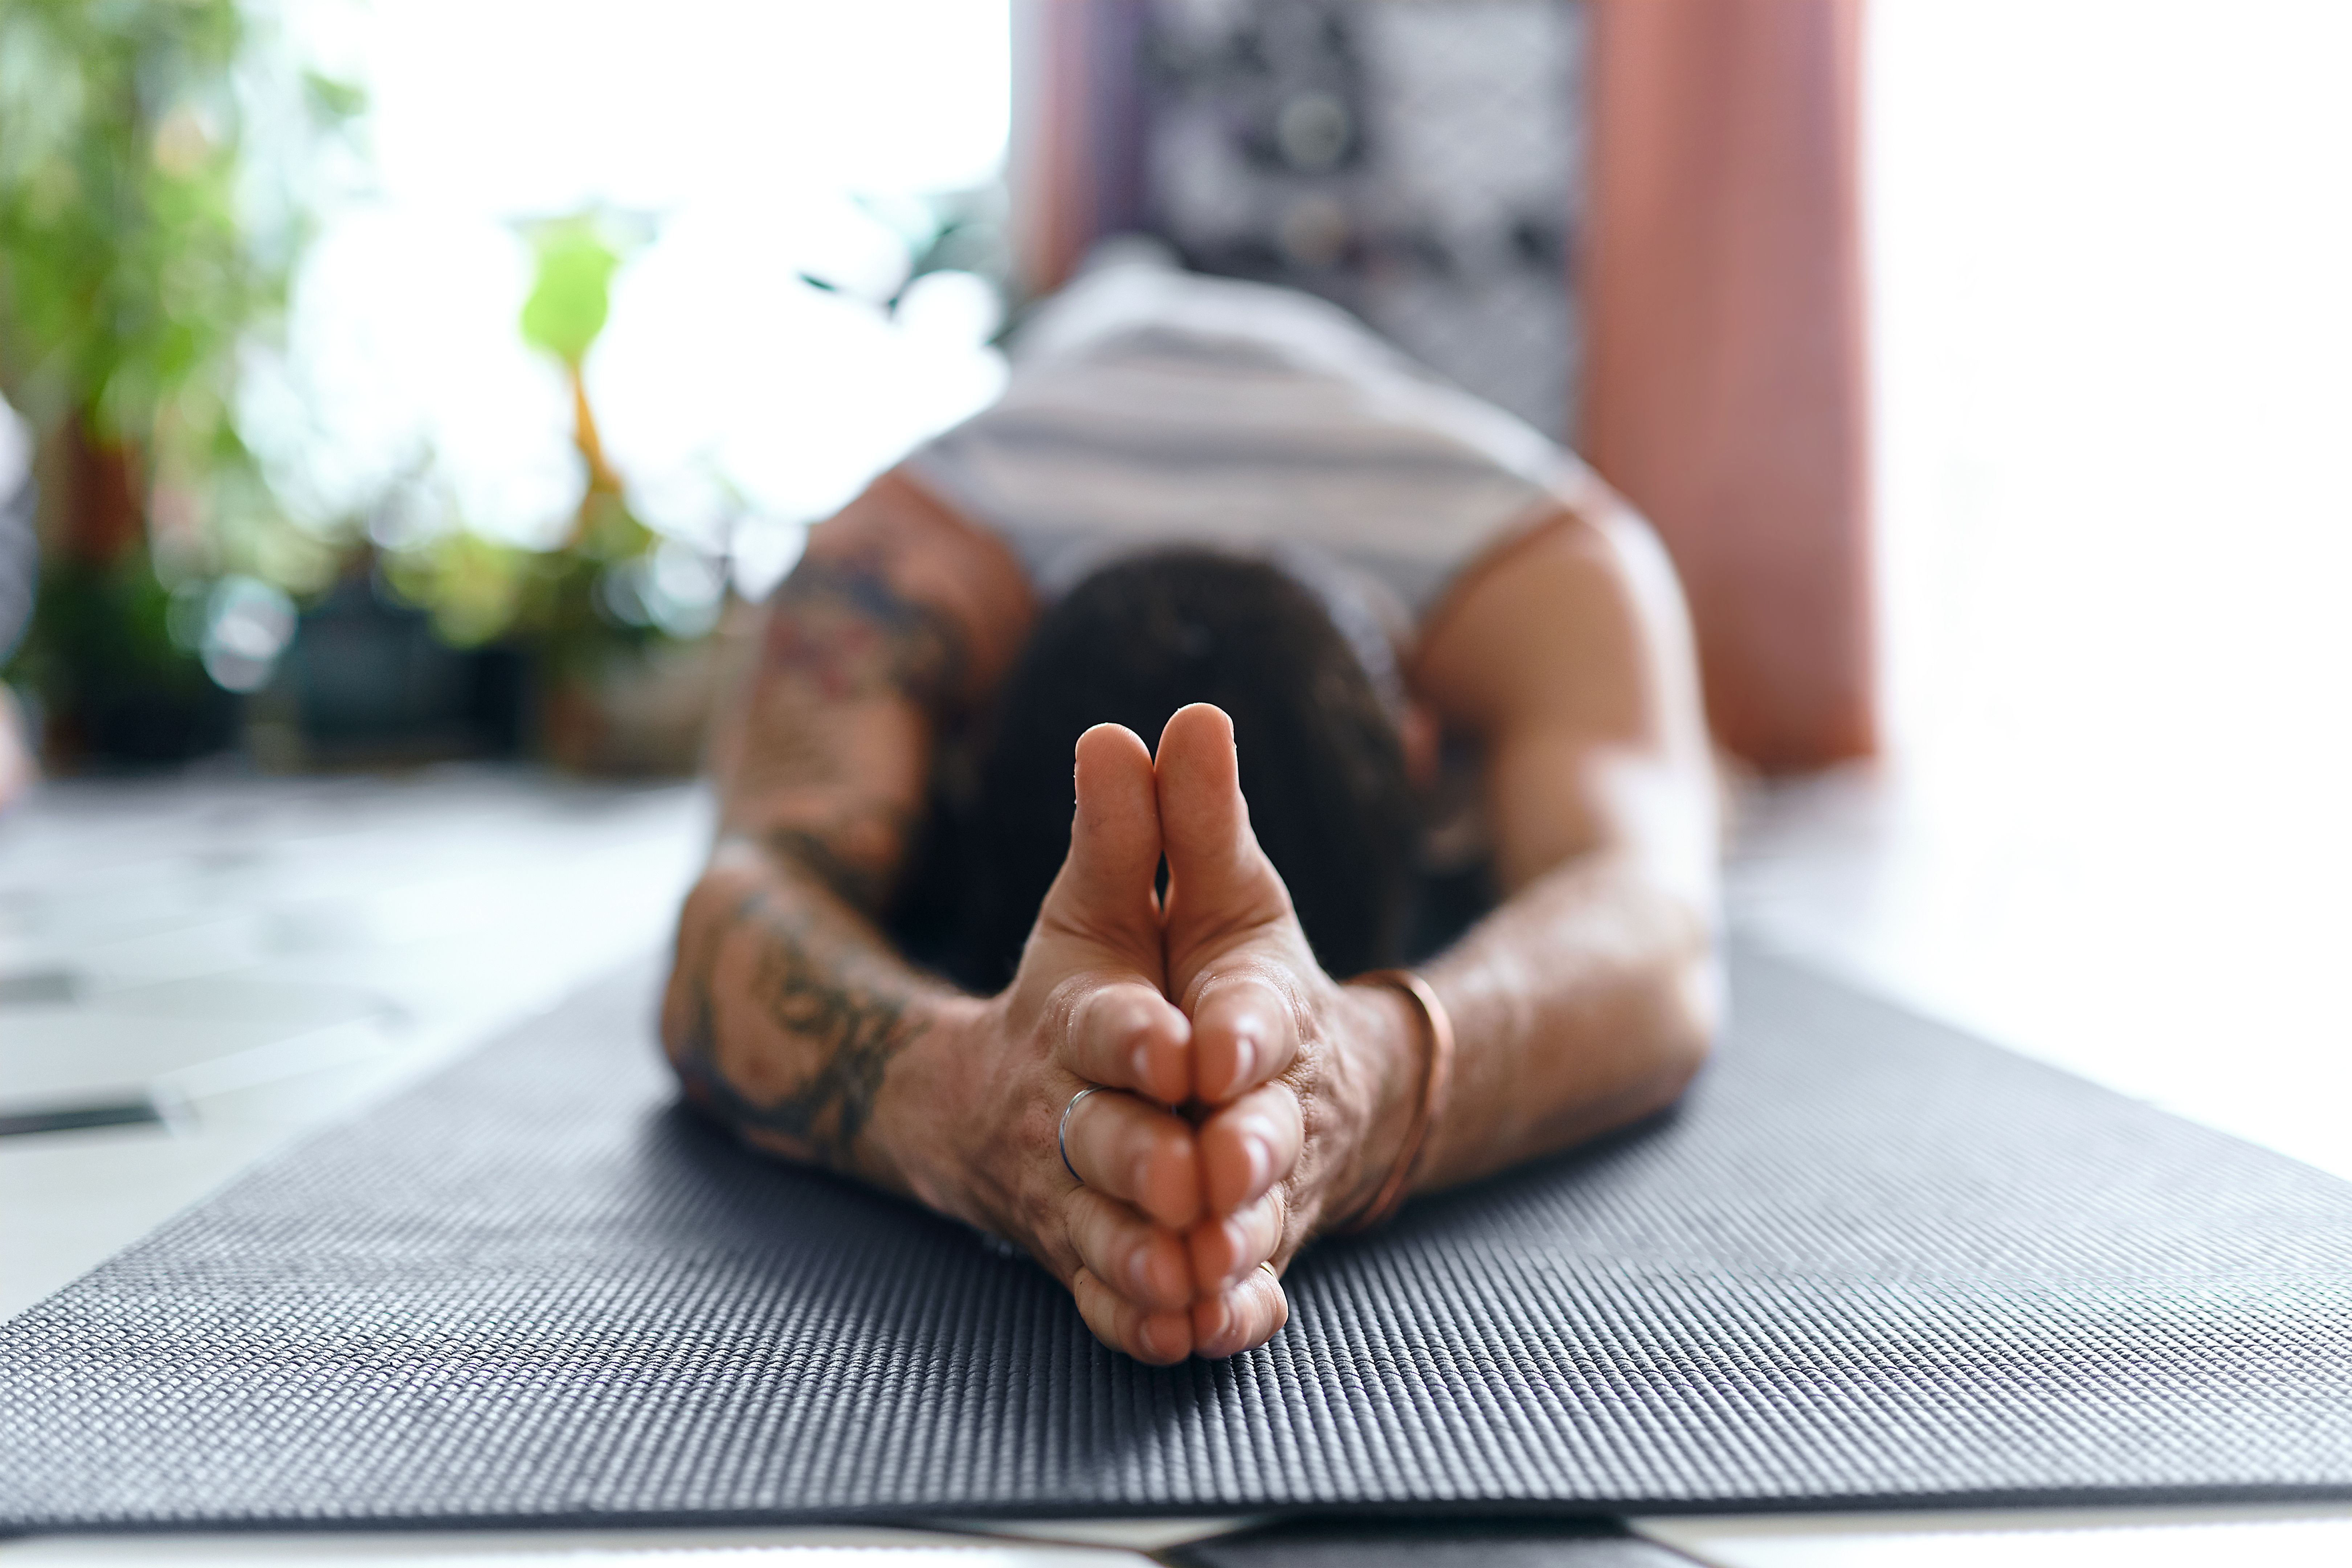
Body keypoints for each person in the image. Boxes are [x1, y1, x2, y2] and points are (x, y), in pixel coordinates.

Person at [661, 249, 1720, 1364]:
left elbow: (1657, 928)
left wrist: (1360, 1081)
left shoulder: (1548, 556)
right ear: (954, 755)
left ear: (1426, 752)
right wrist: (970, 1104)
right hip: (1084, 330)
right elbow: (743, 896)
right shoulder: (908, 550)